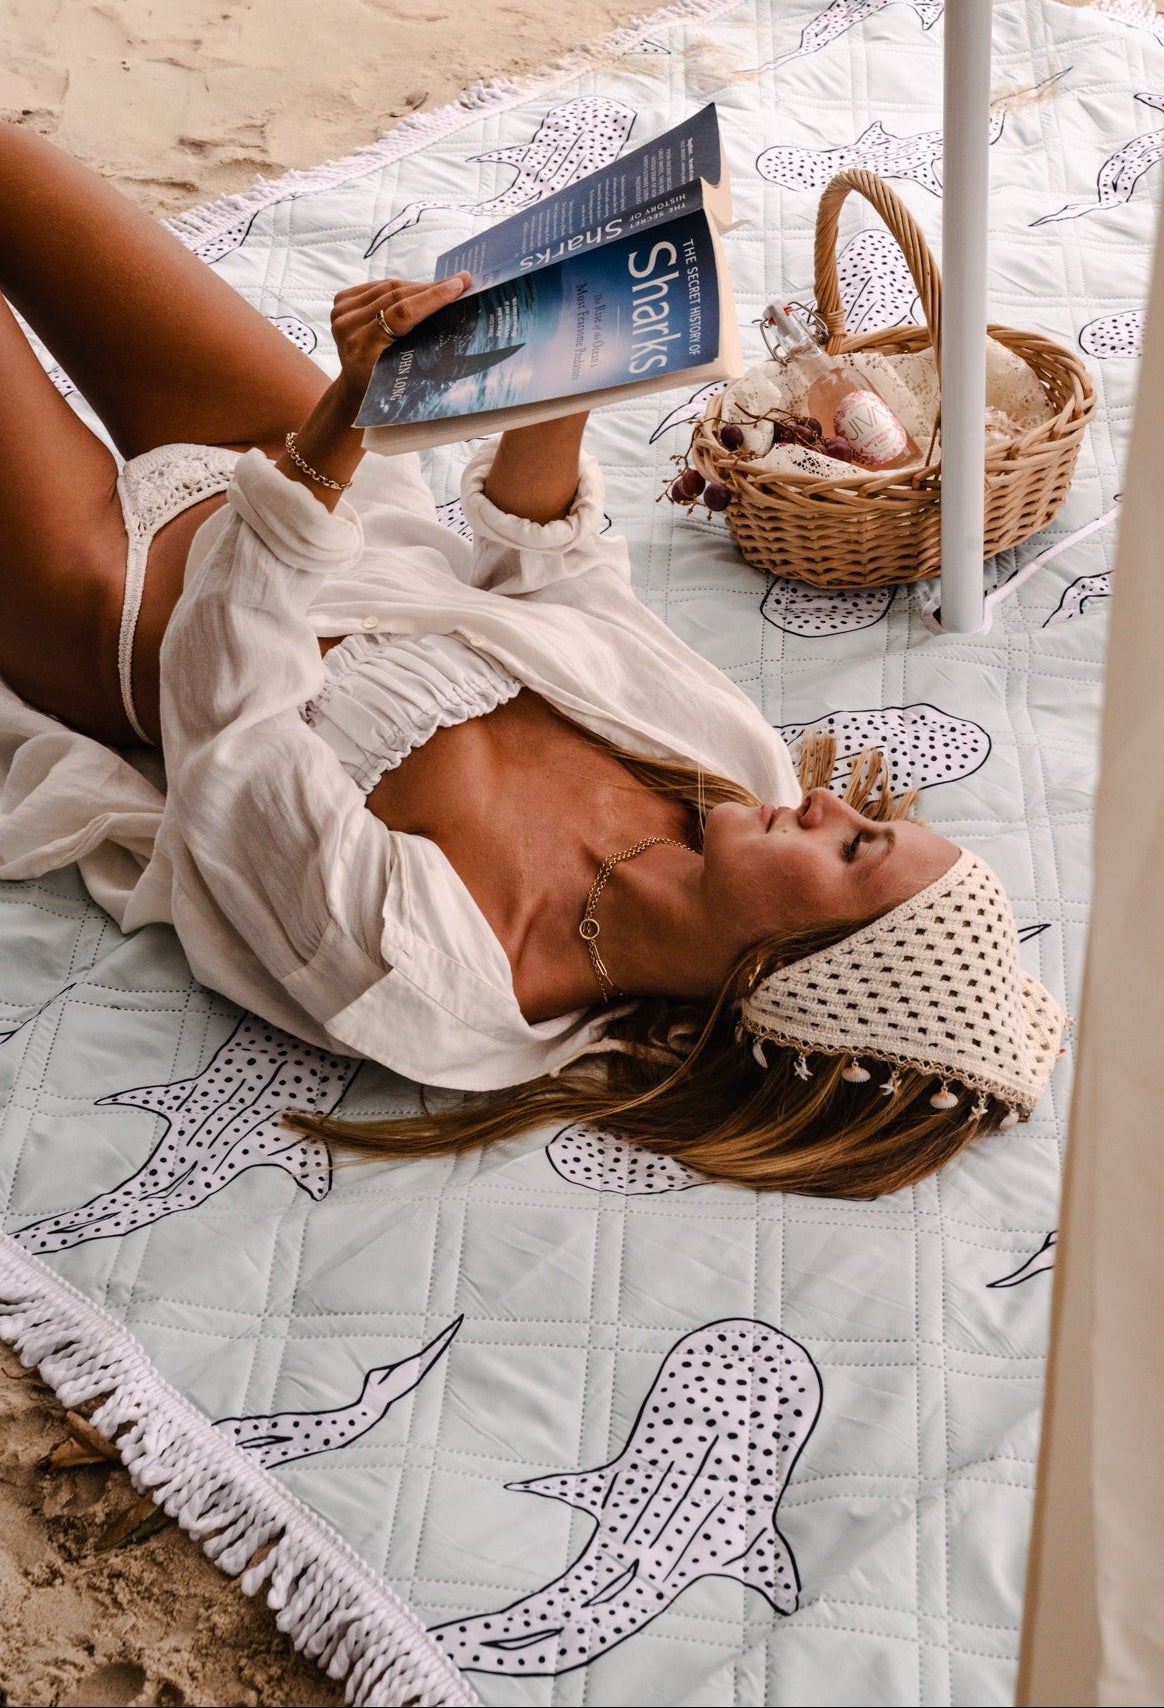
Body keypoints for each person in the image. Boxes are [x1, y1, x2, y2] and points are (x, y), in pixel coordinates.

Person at [0, 125, 1066, 1198]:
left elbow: (227, 719)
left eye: (851, 855)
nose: (829, 806)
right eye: (869, 823)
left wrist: (345, 417)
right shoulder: (729, 776)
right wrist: (569, 367)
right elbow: (557, 580)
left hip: (120, 601)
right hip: (337, 488)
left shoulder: (445, 980)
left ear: (788, 968)